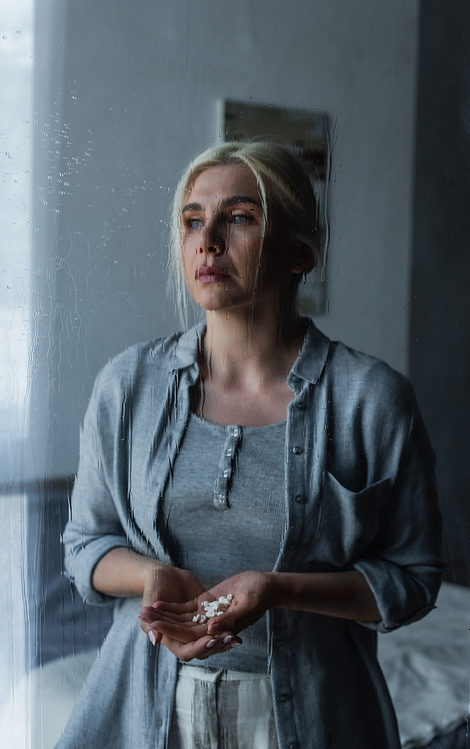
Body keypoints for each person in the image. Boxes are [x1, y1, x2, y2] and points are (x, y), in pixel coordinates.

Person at [57, 141, 446, 749]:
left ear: (300, 253)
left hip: (314, 718)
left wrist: (280, 588)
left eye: (239, 217)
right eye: (192, 220)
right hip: (149, 710)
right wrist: (152, 575)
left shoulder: (372, 399)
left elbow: (413, 579)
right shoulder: (127, 386)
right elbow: (86, 544)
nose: (207, 240)